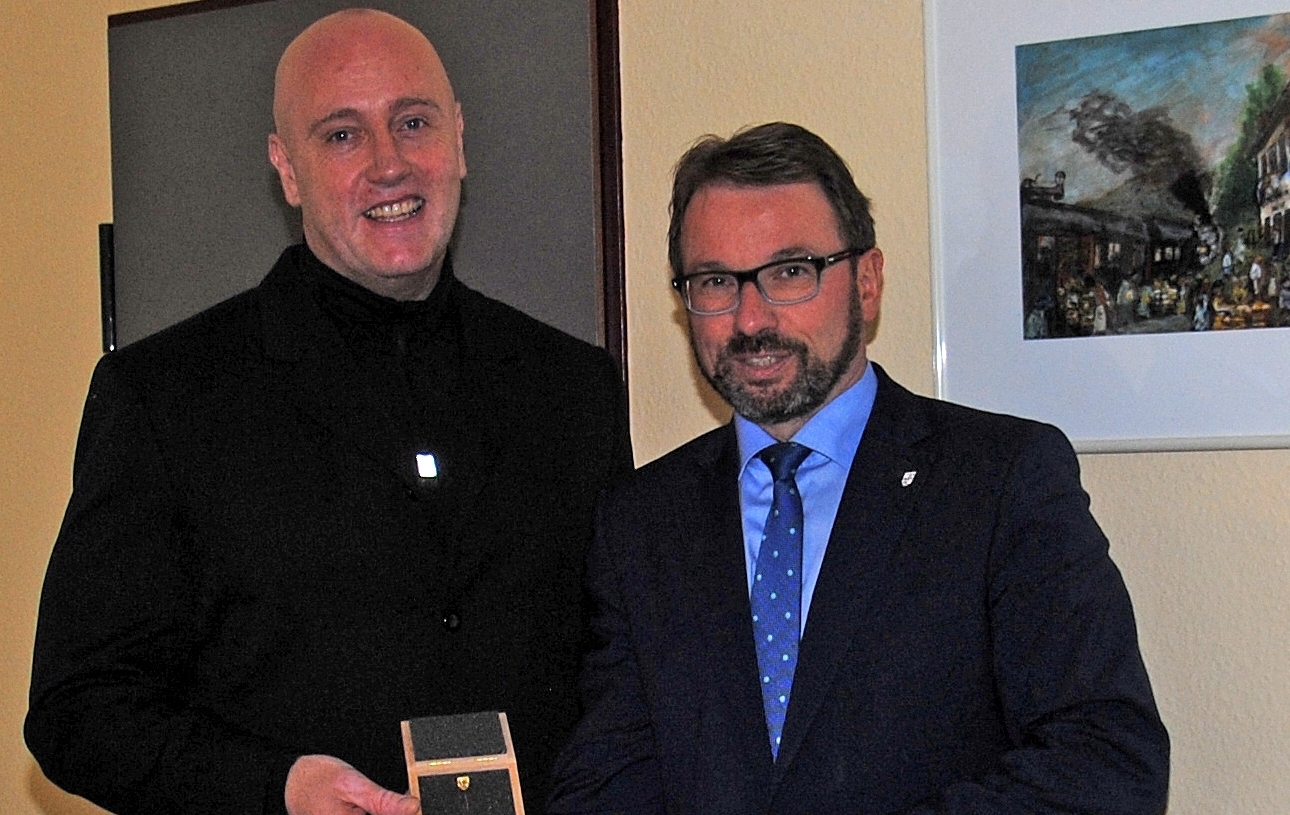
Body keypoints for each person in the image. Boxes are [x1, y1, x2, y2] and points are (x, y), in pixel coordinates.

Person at [25, 9, 632, 815]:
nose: (389, 164)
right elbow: (77, 709)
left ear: (458, 140)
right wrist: (275, 787)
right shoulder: (165, 396)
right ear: (287, 168)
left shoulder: (574, 389)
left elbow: (621, 672)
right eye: (343, 135)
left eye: (413, 123)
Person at [548, 122, 1168, 814]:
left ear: (866, 282)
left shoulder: (1001, 481)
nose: (750, 319)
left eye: (790, 272)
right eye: (716, 281)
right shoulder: (641, 521)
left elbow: (1106, 758)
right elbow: (605, 781)